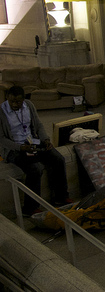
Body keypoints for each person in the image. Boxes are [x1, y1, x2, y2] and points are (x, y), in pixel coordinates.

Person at [0, 85, 71, 215]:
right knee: (35, 169)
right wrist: (20, 147)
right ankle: (30, 208)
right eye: (12, 101)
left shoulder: (29, 105)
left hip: (32, 143)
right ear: (7, 99)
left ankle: (61, 197)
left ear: (23, 99)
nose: (15, 104)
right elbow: (1, 139)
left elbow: (38, 125)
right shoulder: (1, 112)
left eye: (18, 102)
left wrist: (45, 139)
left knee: (58, 159)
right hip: (14, 148)